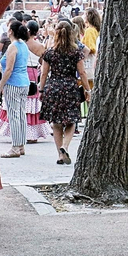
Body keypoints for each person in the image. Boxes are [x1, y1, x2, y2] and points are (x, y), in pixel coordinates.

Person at [40, 20, 86, 164]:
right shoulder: (75, 53)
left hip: (53, 88)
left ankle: (60, 153)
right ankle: (65, 146)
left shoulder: (49, 53)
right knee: (71, 121)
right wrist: (87, 89)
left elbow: (44, 73)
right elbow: (82, 72)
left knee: (56, 123)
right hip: (70, 88)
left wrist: (41, 89)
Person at [0, 18, 31, 157]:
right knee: (21, 114)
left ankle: (15, 147)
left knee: (14, 115)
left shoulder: (13, 47)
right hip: (24, 82)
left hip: (13, 83)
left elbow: (9, 69)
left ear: (11, 31)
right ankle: (21, 144)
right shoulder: (23, 45)